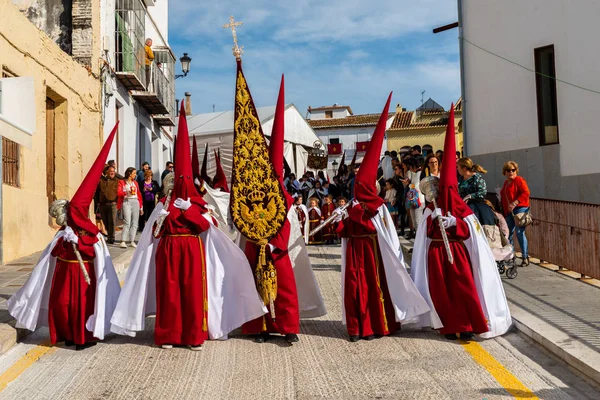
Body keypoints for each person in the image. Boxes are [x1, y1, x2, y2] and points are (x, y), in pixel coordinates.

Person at [111, 101, 267, 349]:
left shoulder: (198, 204)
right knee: (170, 295)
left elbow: (209, 227)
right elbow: (154, 232)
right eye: (177, 181)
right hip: (169, 251)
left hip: (192, 251)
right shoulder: (164, 202)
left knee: (192, 295)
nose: (180, 185)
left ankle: (193, 336)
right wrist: (162, 214)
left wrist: (191, 211)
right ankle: (168, 335)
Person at [8, 123, 121, 350]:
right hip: (63, 272)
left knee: (81, 306)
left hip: (82, 275)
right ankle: (65, 333)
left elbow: (93, 253)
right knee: (61, 304)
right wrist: (63, 240)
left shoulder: (92, 231)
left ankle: (82, 338)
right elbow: (53, 253)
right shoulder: (65, 231)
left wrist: (79, 240)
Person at [234, 74, 325, 344]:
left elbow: (287, 222)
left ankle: (288, 327)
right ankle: (260, 328)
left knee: (284, 288)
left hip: (278, 249)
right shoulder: (250, 189)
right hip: (255, 246)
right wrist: (254, 239)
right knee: (255, 289)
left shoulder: (284, 195)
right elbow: (242, 216)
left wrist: (275, 245)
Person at [411, 104, 512, 341]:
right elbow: (423, 235)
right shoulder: (430, 208)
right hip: (436, 252)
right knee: (442, 292)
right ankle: (448, 325)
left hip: (457, 251)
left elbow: (471, 232)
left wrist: (454, 222)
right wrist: (433, 221)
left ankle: (467, 324)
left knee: (464, 287)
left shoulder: (462, 209)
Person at [338, 94, 429, 342]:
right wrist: (345, 216)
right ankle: (357, 328)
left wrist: (360, 214)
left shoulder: (378, 207)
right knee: (356, 289)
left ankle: (377, 326)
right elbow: (342, 231)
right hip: (356, 254)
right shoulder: (353, 205)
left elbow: (387, 235)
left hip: (375, 255)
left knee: (375, 288)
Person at [500, 161, 531, 266]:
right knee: (507, 233)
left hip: (520, 208)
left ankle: (525, 256)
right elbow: (504, 199)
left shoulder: (519, 180)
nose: (511, 172)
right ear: (505, 172)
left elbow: (526, 193)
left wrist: (515, 202)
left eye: (513, 170)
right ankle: (511, 255)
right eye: (508, 170)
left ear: (516, 171)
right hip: (509, 211)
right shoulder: (505, 183)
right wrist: (505, 212)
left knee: (519, 232)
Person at [457, 158, 497, 229]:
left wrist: (470, 196)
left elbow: (482, 192)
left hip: (477, 208)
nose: (457, 169)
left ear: (464, 168)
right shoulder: (460, 179)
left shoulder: (477, 178)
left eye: (458, 167)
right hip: (464, 206)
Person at [117, 167, 143, 248]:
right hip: (126, 201)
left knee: (135, 222)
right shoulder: (122, 182)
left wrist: (141, 207)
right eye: (134, 173)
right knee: (127, 221)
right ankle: (123, 241)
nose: (135, 175)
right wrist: (126, 192)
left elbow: (139, 194)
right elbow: (118, 192)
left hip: (135, 201)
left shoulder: (135, 183)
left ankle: (132, 240)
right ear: (129, 173)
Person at [96, 165, 119, 244]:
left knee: (112, 221)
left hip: (113, 203)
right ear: (106, 172)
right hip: (103, 204)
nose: (112, 173)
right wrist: (97, 203)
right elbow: (97, 192)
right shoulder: (101, 181)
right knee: (105, 221)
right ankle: (109, 235)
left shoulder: (117, 180)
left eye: (113, 171)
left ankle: (111, 238)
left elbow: (123, 178)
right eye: (110, 171)